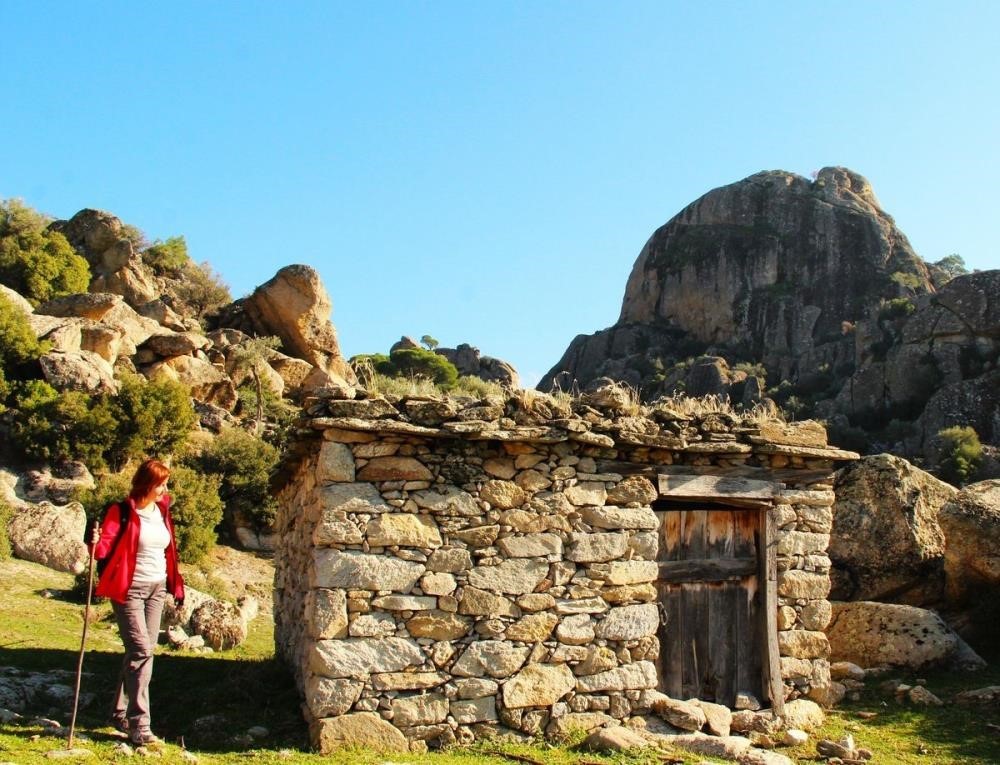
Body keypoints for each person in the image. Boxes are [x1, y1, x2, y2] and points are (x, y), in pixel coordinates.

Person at [90, 458, 184, 746]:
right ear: (147, 484)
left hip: (156, 588)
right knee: (141, 650)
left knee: (141, 651)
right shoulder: (121, 512)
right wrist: (93, 542)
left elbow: (169, 551)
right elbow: (104, 546)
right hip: (128, 589)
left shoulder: (161, 511)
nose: (165, 489)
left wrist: (175, 585)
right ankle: (140, 724)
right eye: (161, 484)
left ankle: (119, 712)